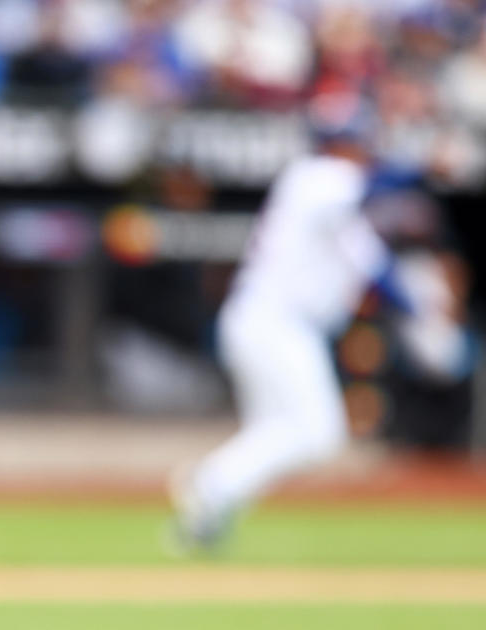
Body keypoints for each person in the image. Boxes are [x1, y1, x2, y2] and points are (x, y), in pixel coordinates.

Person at [167, 89, 465, 551]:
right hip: (275, 324)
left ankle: (207, 519)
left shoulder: (342, 213)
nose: (358, 148)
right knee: (318, 432)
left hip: (272, 325)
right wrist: (424, 166)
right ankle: (210, 482)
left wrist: (420, 314)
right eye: (351, 139)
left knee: (272, 432)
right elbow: (374, 187)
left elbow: (377, 270)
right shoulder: (315, 177)